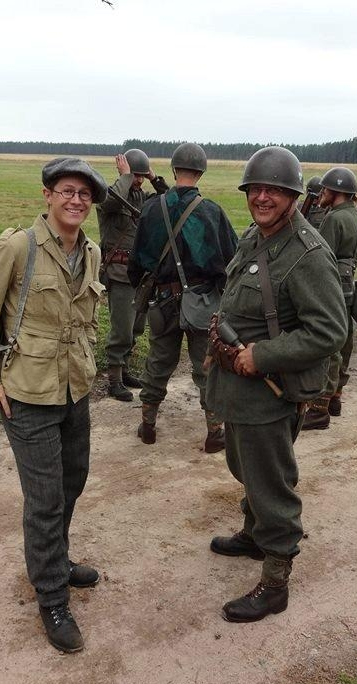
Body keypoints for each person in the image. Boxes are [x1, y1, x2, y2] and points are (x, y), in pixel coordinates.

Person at [0, 158, 108, 654]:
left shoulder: (90, 251)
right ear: (47, 195)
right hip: (26, 394)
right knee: (44, 499)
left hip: (73, 388)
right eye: (67, 191)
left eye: (84, 195)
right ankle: (52, 598)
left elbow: (86, 319)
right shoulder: (18, 247)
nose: (76, 201)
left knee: (72, 481)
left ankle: (56, 559)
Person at [206, 147, 348, 622]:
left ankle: (275, 583)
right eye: (255, 189)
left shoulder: (308, 254)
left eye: (274, 190)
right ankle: (254, 534)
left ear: (293, 196)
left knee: (272, 486)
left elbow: (329, 331)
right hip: (238, 387)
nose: (262, 197)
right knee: (244, 466)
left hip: (269, 390)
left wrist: (261, 355)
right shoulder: (256, 237)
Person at [127, 142, 238, 452]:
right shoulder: (211, 211)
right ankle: (214, 432)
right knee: (207, 364)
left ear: (174, 169)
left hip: (162, 300)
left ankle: (148, 426)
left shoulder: (152, 208)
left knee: (158, 361)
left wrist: (145, 289)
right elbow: (231, 259)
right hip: (202, 302)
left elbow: (137, 261)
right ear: (201, 172)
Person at [97, 148, 169, 401]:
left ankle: (125, 370)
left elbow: (169, 201)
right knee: (122, 330)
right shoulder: (111, 194)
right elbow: (111, 202)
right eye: (135, 175)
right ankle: (114, 380)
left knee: (136, 327)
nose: (138, 180)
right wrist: (125, 176)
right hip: (119, 273)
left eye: (140, 176)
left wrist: (153, 178)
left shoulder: (142, 197)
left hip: (140, 273)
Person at [302, 166, 357, 430]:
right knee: (345, 337)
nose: (322, 194)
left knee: (329, 343)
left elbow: (321, 256)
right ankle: (336, 397)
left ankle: (319, 408)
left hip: (332, 284)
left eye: (326, 189)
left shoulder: (333, 218)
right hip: (349, 283)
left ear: (337, 191)